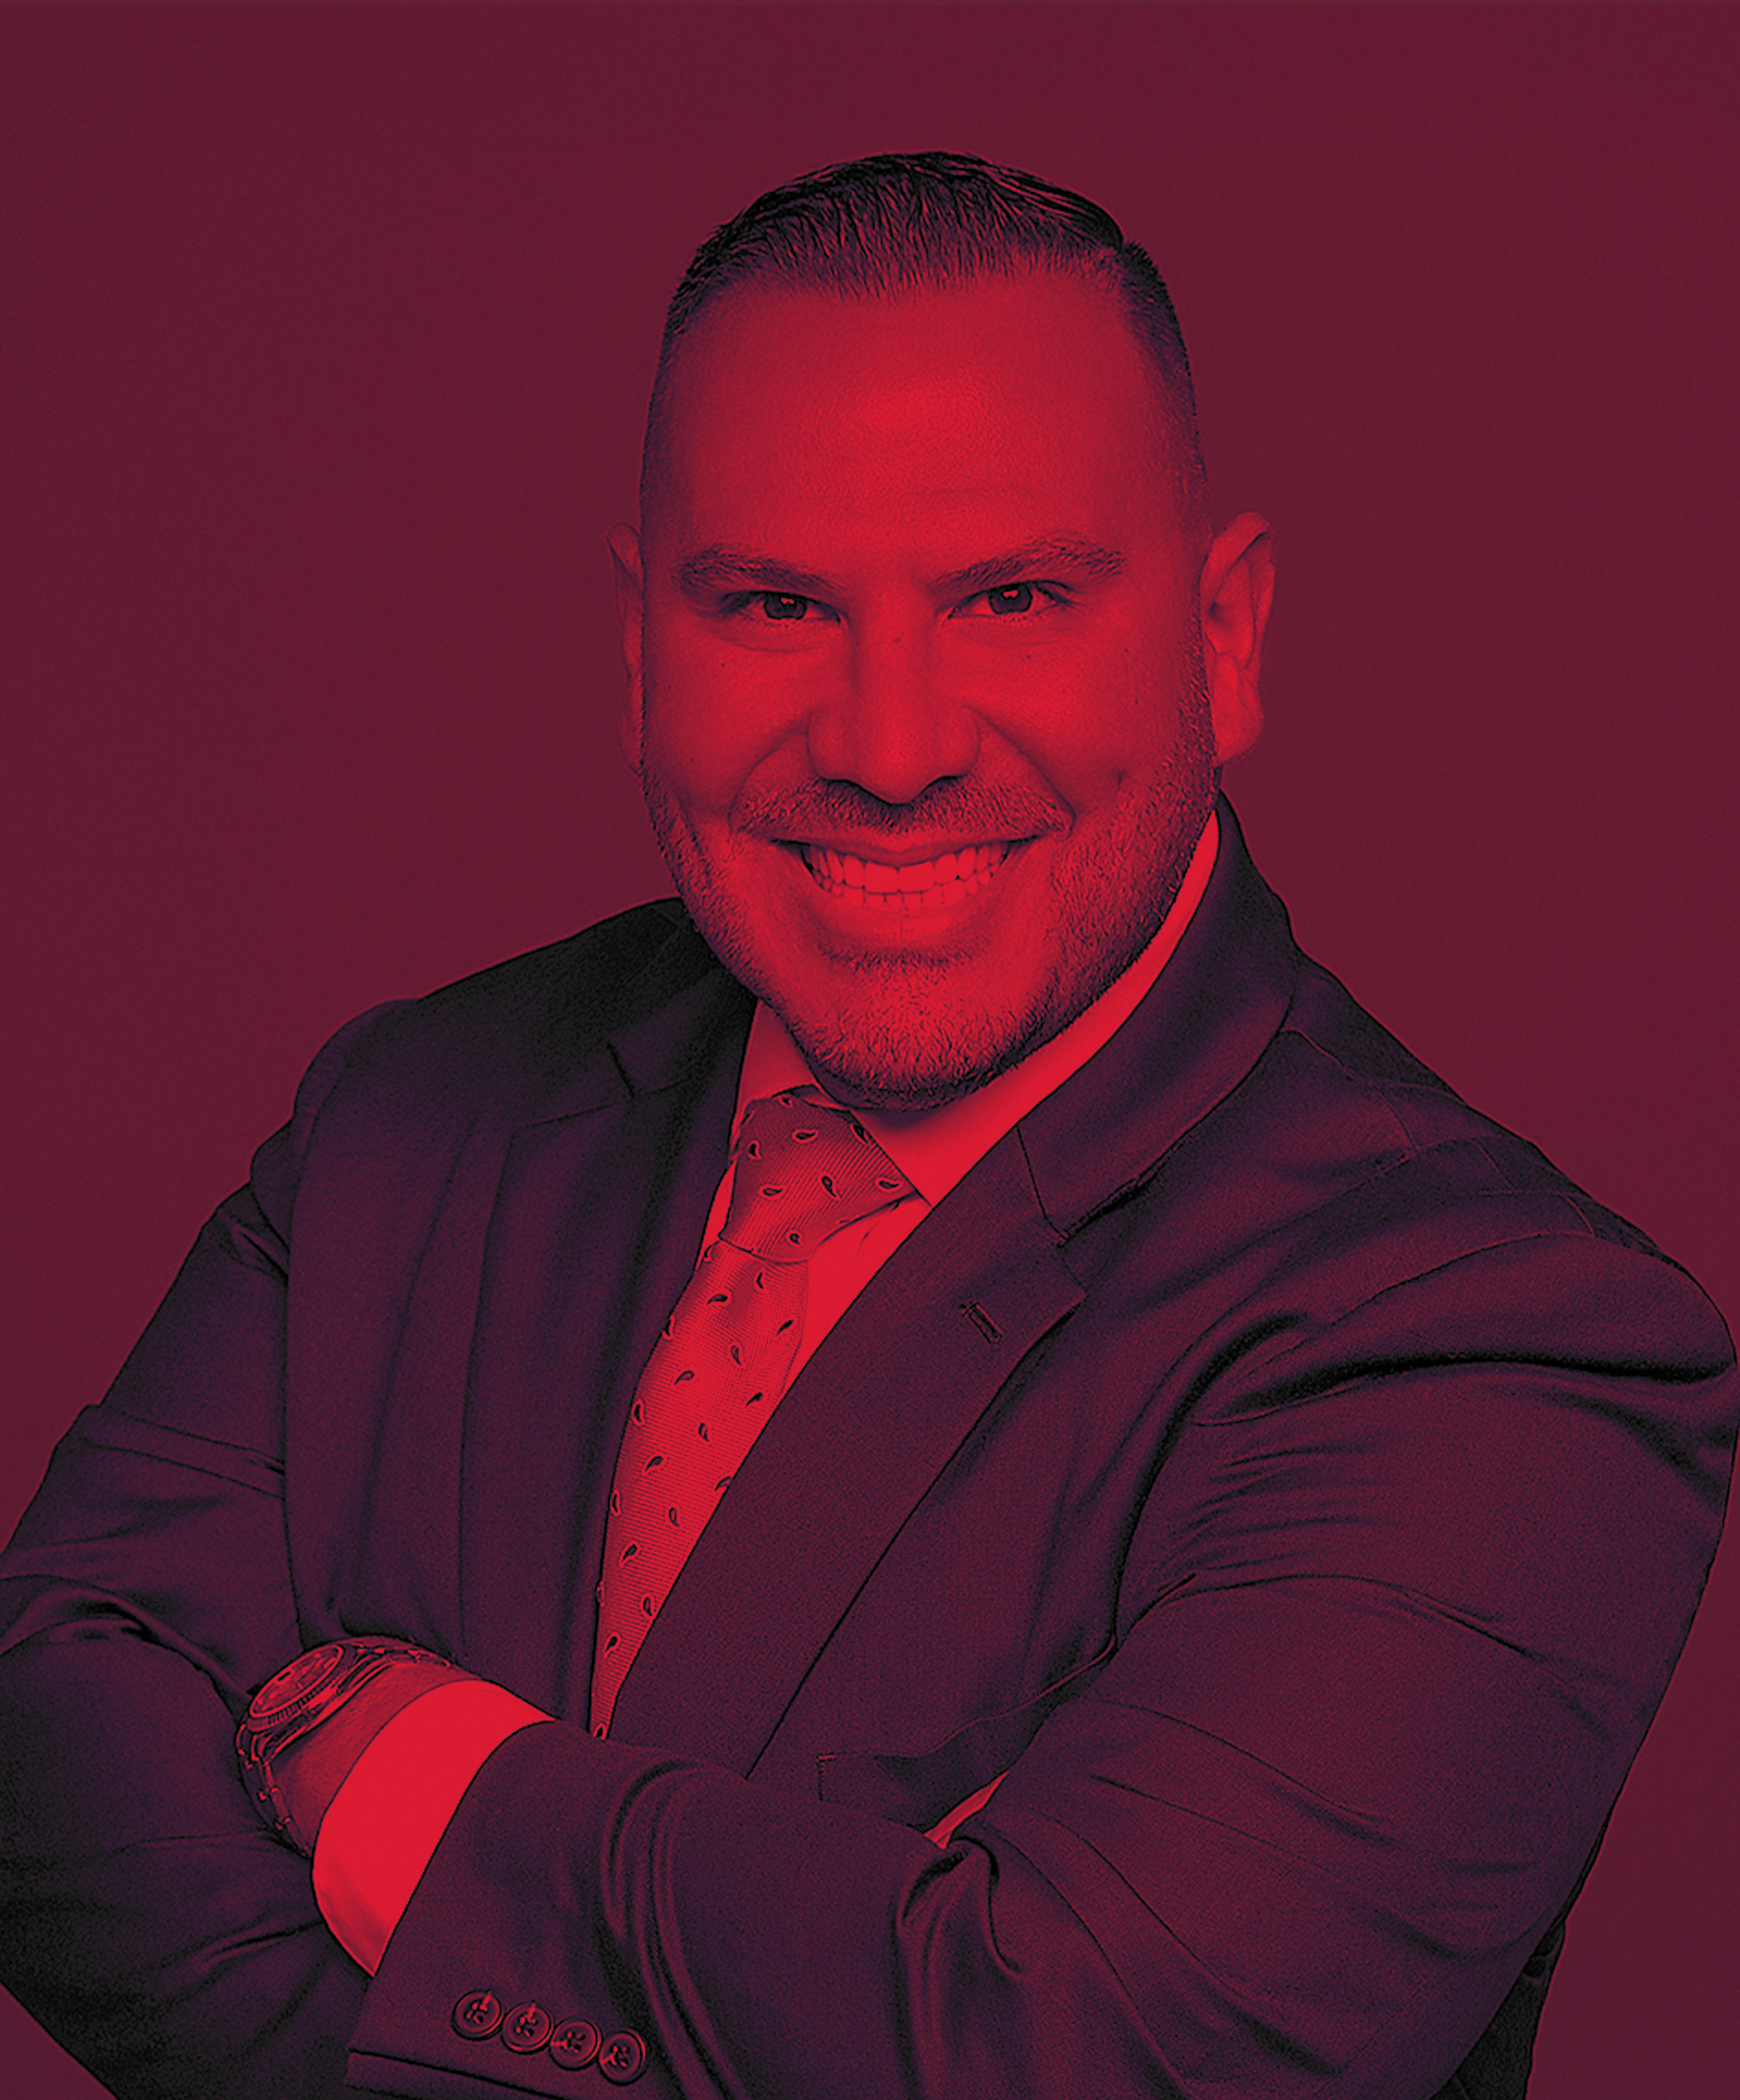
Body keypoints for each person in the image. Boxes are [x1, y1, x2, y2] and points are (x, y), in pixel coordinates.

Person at [0, 150, 1732, 2100]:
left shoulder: (1501, 1341)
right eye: (775, 603)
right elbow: (47, 1734)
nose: (890, 747)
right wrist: (856, 1964)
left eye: (1012, 597)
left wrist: (396, 1767)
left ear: (1224, 636)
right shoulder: (408, 1115)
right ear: (641, 648)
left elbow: (1073, 2062)